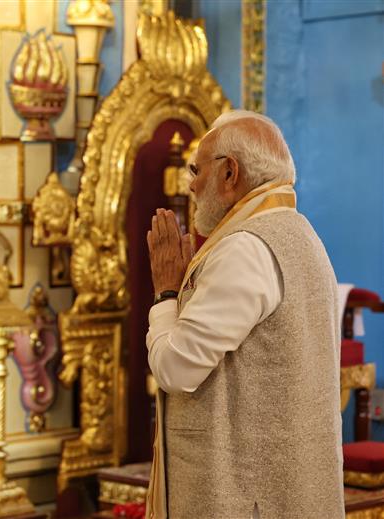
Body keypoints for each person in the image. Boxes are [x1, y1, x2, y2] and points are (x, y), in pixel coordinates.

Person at [145, 110, 343, 519]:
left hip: (241, 497)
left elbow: (177, 370)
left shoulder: (244, 248)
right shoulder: (303, 235)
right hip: (292, 489)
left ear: (230, 173)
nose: (192, 184)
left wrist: (166, 293)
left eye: (196, 169)